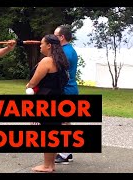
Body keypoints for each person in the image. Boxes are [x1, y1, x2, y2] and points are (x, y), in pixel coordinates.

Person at [27, 34, 69, 173]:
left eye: (42, 44)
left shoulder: (47, 61)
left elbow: (33, 82)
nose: (40, 46)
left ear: (49, 45)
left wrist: (29, 86)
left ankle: (47, 166)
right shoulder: (61, 61)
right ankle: (51, 165)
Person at [53, 25, 79, 164]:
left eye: (55, 35)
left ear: (61, 37)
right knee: (65, 122)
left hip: (66, 91)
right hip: (69, 90)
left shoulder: (65, 53)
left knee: (63, 123)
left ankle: (64, 154)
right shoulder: (67, 50)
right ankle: (66, 152)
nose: (52, 38)